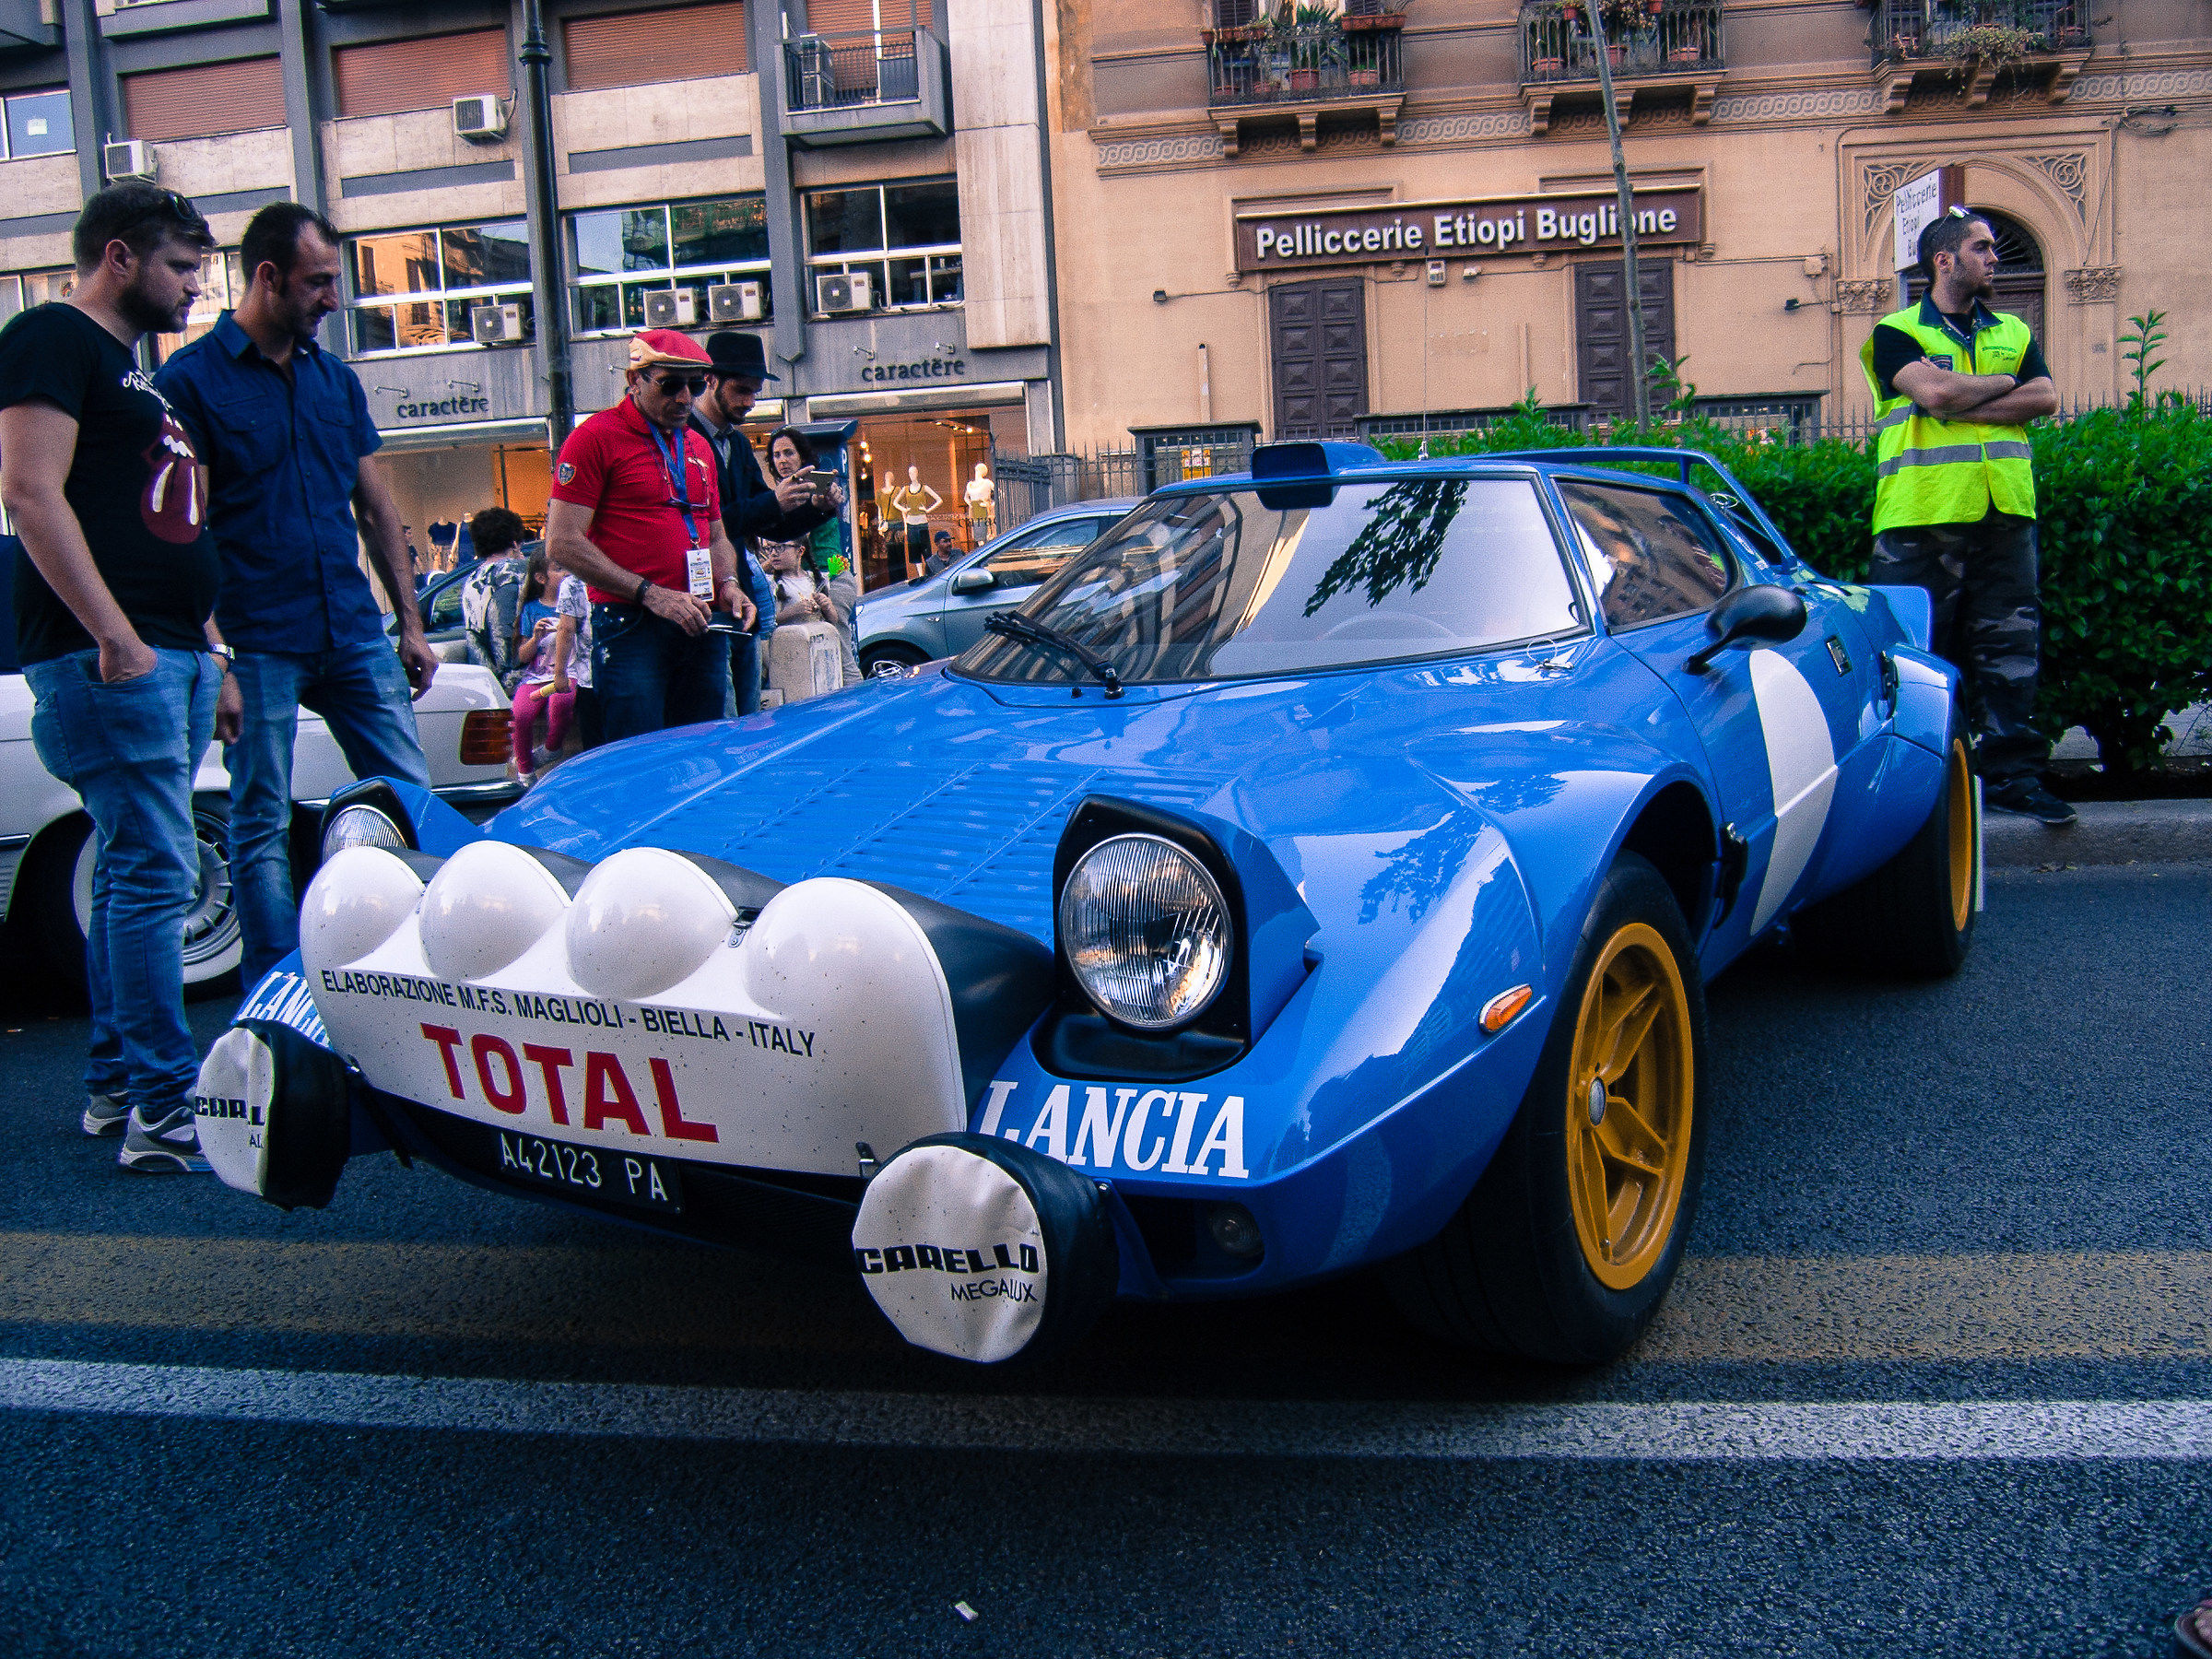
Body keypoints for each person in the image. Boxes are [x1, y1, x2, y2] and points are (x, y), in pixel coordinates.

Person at [0, 182, 235, 1171]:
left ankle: (115, 1089)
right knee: (153, 871)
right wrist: (118, 636)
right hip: (116, 656)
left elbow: (172, 519)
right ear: (120, 257)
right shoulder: (51, 334)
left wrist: (207, 645)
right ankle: (162, 1108)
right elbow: (28, 492)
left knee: (134, 873)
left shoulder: (139, 376)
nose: (194, 288)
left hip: (168, 650)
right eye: (181, 267)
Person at [158, 201, 438, 984]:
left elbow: (376, 508)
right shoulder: (190, 382)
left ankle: (426, 967)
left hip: (350, 628)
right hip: (255, 639)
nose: (332, 300)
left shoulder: (333, 380)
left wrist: (411, 625)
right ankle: (277, 984)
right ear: (268, 277)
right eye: (317, 283)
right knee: (259, 819)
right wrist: (216, 656)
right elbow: (185, 528)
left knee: (410, 798)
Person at [1860, 205, 2070, 826]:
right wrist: (2004, 385)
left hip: (2005, 511)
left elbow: (2046, 397)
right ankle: (1915, 787)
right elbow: (1934, 393)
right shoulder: (1895, 332)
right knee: (1916, 656)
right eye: (1982, 248)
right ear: (1944, 260)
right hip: (1919, 516)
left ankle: (2013, 777)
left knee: (2011, 647)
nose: (1994, 258)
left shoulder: (2013, 330)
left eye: (1995, 248)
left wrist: (1963, 398)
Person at [543, 330, 754, 743]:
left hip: (700, 619)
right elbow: (562, 542)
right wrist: (651, 594)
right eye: (670, 385)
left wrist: (729, 584)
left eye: (695, 386)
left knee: (705, 750)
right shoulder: (594, 437)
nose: (685, 398)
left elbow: (715, 535)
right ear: (634, 380)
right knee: (641, 753)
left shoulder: (697, 445)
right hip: (633, 623)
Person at [691, 334, 831, 714]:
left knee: (748, 713)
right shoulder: (685, 437)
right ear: (710, 380)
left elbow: (770, 523)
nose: (750, 401)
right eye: (741, 390)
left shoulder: (736, 443)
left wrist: (817, 507)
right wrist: (773, 502)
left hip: (740, 598)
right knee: (721, 716)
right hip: (703, 600)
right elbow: (703, 522)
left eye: (755, 392)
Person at [509, 549, 574, 784]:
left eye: (568, 568)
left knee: (561, 702)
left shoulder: (574, 603)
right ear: (541, 578)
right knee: (520, 714)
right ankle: (525, 771)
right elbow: (523, 655)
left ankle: (551, 749)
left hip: (567, 672)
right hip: (537, 676)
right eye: (559, 569)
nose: (566, 573)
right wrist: (535, 638)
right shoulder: (531, 610)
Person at [457, 506, 532, 692]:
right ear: (514, 543)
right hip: (522, 681)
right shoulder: (518, 571)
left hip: (485, 681)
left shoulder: (471, 580)